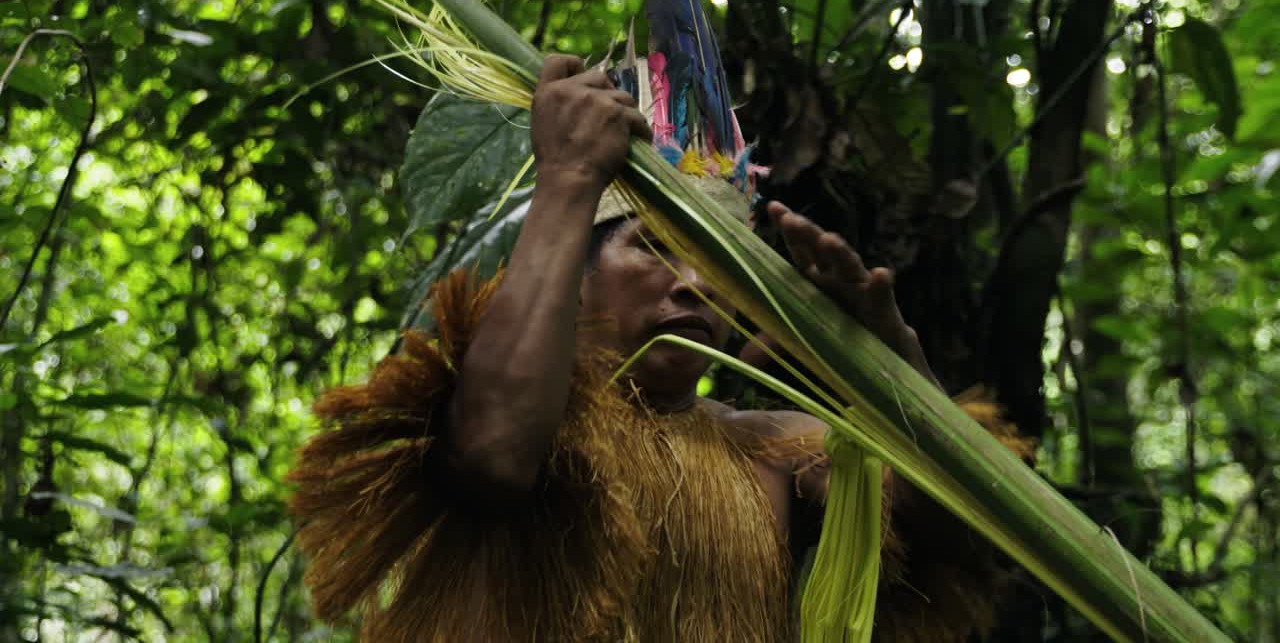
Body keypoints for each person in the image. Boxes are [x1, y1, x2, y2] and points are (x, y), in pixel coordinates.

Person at [289, 53, 1035, 642]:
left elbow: (976, 529)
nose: (693, 286)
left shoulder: (774, 454)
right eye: (655, 250)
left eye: (719, 269)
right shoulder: (507, 410)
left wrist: (892, 359)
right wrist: (571, 176)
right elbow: (494, 455)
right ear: (576, 280)